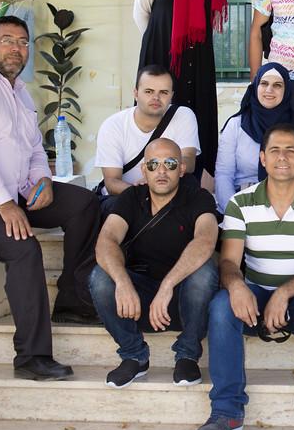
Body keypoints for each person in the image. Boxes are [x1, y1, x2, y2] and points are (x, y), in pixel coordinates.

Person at [0, 15, 100, 381]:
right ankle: (31, 357)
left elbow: (35, 148)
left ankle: (72, 301)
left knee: (85, 203)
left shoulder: (21, 93)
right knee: (24, 249)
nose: (17, 48)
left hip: (13, 192)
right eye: (7, 40)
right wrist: (5, 204)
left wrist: (42, 179)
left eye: (23, 42)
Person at [195, 123, 294, 430]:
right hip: (258, 295)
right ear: (262, 158)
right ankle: (226, 410)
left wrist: (285, 292)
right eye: (275, 150)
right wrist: (236, 287)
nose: (282, 157)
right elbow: (229, 262)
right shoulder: (240, 202)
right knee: (221, 305)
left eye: (291, 150)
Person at [89, 138, 219, 389]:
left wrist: (167, 286)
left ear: (182, 169)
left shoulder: (198, 197)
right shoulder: (131, 198)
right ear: (144, 170)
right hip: (139, 301)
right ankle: (134, 355)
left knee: (204, 272)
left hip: (185, 299)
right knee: (100, 277)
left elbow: (205, 241)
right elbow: (106, 241)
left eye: (170, 163)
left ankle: (188, 355)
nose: (161, 171)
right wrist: (122, 283)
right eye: (153, 164)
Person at [133, 0, 227, 177]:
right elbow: (141, 12)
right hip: (160, 55)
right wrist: (161, 41)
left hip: (197, 58)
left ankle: (193, 182)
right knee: (156, 112)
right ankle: (151, 178)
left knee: (196, 115)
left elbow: (209, 20)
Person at [94, 65, 201, 213]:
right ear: (136, 93)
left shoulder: (183, 115)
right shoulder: (113, 125)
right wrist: (145, 192)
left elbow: (188, 161)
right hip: (127, 194)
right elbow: (112, 182)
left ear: (171, 95)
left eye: (163, 92)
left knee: (189, 184)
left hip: (168, 189)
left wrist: (156, 180)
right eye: (149, 91)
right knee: (122, 207)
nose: (156, 98)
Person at [213, 63, 294, 210]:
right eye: (264, 83)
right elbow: (224, 174)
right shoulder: (236, 125)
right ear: (256, 86)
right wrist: (232, 210)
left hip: (286, 203)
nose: (269, 90)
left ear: (286, 91)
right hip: (242, 200)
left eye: (277, 85)